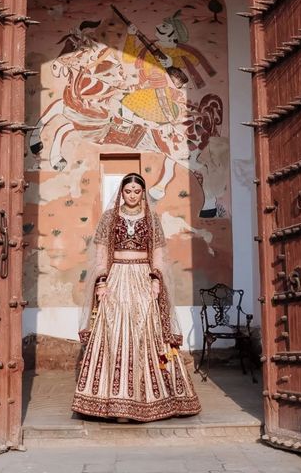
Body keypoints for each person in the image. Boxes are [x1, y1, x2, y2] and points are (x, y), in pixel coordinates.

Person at [72, 172, 201, 422]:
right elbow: (101, 252)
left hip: (143, 277)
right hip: (117, 277)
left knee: (145, 331)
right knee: (114, 332)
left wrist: (156, 279)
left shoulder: (152, 220)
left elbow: (159, 254)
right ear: (122, 191)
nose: (132, 195)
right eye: (128, 191)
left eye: (137, 191)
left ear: (143, 193)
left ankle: (149, 399)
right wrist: (102, 281)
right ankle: (112, 401)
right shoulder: (110, 218)